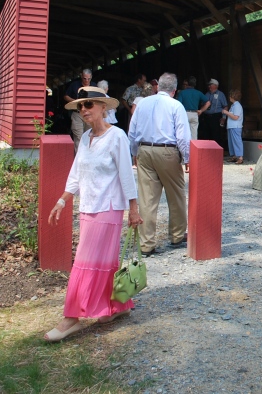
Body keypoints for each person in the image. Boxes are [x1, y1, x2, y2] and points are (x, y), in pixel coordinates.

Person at [44, 86, 142, 342]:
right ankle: (114, 307)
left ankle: (71, 318)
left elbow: (125, 173)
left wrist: (134, 209)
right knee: (102, 261)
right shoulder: (86, 137)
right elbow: (76, 174)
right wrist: (61, 202)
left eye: (89, 105)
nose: (84, 110)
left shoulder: (117, 136)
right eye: (80, 106)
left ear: (104, 108)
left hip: (108, 207)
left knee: (85, 262)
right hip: (87, 206)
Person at [128, 73, 190, 257]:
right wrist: (187, 158)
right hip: (167, 150)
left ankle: (146, 244)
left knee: (147, 198)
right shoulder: (176, 105)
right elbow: (183, 137)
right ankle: (177, 236)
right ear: (174, 90)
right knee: (176, 194)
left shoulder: (143, 104)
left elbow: (132, 132)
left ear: (158, 87)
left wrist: (134, 153)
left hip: (144, 150)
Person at [63, 69, 96, 153]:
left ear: (91, 77)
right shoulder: (74, 85)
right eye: (85, 78)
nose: (86, 80)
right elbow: (66, 96)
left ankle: (88, 156)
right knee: (78, 136)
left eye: (88, 79)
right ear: (81, 76)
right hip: (77, 113)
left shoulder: (94, 87)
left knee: (90, 135)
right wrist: (74, 101)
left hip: (89, 113)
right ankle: (79, 158)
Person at [175, 76, 210, 143]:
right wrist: (201, 110)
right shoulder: (198, 93)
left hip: (185, 114)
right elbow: (208, 103)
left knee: (183, 133)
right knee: (194, 135)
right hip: (195, 114)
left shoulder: (182, 93)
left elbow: (179, 105)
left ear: (187, 83)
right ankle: (194, 151)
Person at [201, 78, 227, 145]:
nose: (209, 86)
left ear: (216, 86)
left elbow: (225, 106)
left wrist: (224, 118)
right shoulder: (206, 94)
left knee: (216, 135)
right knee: (206, 135)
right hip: (206, 117)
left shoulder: (221, 94)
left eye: (211, 85)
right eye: (209, 85)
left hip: (216, 117)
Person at [222, 89, 244, 164]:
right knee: (231, 142)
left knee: (237, 141)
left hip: (236, 126)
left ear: (233, 96)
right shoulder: (233, 105)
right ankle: (234, 156)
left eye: (230, 96)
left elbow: (235, 117)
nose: (229, 97)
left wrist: (226, 112)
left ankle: (240, 157)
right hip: (232, 126)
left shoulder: (237, 106)